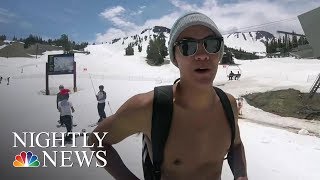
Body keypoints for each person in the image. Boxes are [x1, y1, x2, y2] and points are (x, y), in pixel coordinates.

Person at [89, 12, 247, 180]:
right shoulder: (149, 107)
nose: (202, 54)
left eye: (212, 44)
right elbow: (96, 141)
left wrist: (241, 175)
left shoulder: (228, 105)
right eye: (187, 47)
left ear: (220, 53)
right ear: (174, 57)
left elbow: (236, 145)